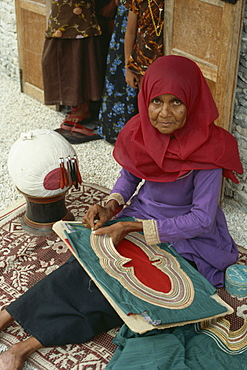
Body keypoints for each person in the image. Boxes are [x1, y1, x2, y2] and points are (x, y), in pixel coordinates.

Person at [0, 55, 243, 369]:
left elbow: (201, 218)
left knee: (120, 291)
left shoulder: (211, 148)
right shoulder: (140, 129)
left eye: (177, 103)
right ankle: (7, 314)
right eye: (156, 101)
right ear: (145, 99)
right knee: (87, 265)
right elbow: (130, 176)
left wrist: (133, 228)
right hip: (140, 216)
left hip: (188, 238)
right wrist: (111, 204)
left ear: (193, 103)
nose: (165, 113)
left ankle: (22, 348)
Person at [42, 0, 116, 143]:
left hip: (83, 13)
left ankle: (84, 106)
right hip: (61, 12)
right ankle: (77, 103)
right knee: (59, 57)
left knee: (83, 55)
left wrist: (113, 3)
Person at [98, 0, 164, 143]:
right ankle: (140, 143)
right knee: (145, 105)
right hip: (143, 61)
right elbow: (130, 32)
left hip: (164, 63)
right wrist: (129, 67)